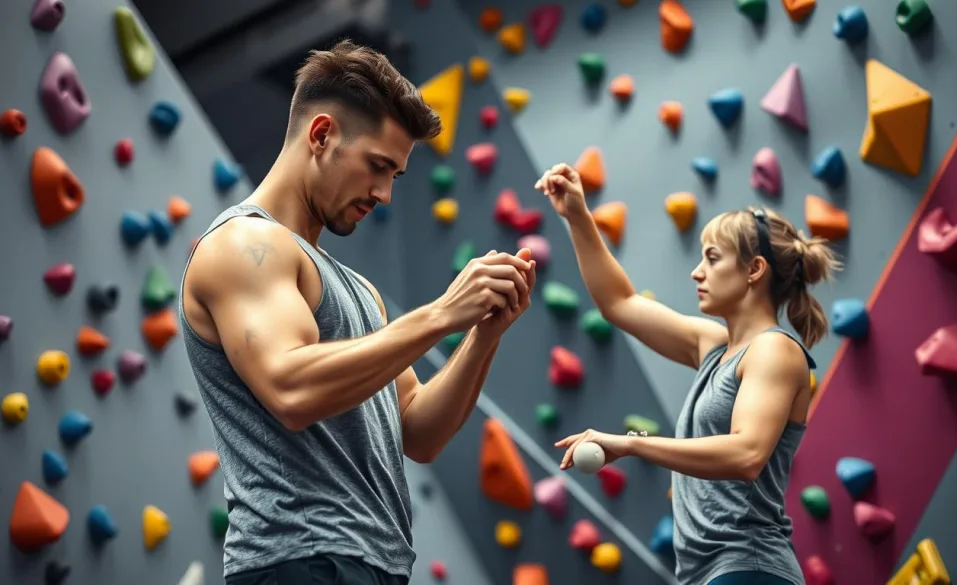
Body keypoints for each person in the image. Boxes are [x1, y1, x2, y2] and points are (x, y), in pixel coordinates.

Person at [179, 40, 537, 585]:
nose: (384, 194)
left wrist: (483, 333)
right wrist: (440, 314)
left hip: (374, 565)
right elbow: (291, 390)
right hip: (297, 560)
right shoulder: (242, 245)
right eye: (378, 166)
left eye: (395, 175)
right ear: (321, 135)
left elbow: (418, 432)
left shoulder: (358, 290)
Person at [534, 163, 842, 585]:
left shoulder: (775, 350)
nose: (697, 272)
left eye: (712, 259)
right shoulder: (714, 347)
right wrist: (577, 216)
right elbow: (619, 302)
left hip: (748, 568)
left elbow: (747, 455)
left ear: (754, 270)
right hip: (709, 575)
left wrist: (632, 445)